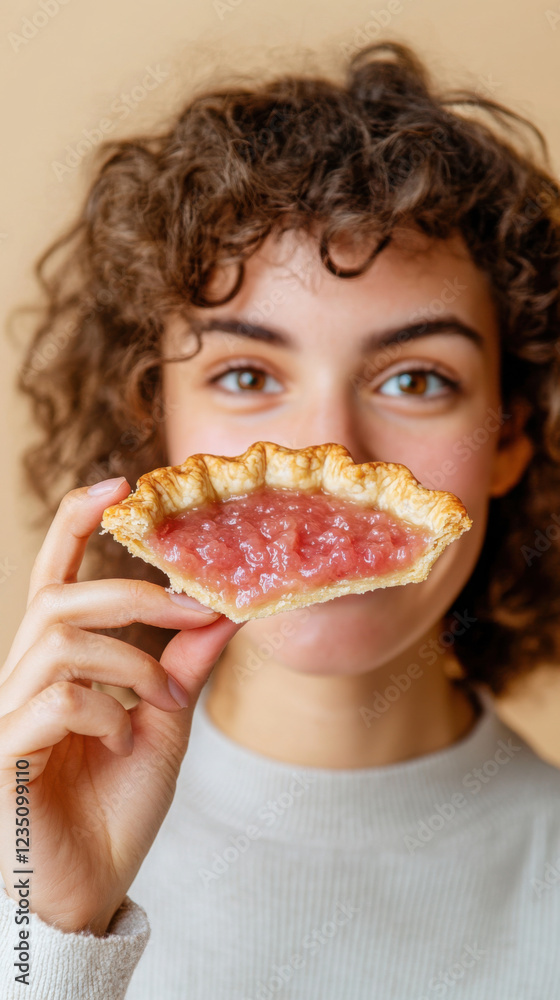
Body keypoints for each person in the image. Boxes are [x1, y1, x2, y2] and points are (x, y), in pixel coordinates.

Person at [1, 39, 560, 999]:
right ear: (153, 425)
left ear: (513, 435)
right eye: (248, 375)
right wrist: (43, 934)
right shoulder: (19, 848)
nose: (329, 460)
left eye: (416, 378)